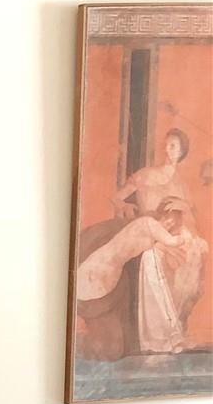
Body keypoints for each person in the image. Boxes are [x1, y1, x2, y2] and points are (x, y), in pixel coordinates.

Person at [75, 128, 207, 358]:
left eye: (174, 146)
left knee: (195, 250)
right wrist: (125, 207)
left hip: (164, 233)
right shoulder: (145, 175)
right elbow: (117, 198)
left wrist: (184, 208)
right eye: (167, 144)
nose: (168, 149)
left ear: (181, 152)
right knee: (153, 257)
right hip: (148, 233)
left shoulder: (181, 185)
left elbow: (191, 219)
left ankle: (177, 325)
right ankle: (160, 334)